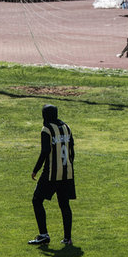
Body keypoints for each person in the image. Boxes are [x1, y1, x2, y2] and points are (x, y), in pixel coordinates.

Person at [28, 104, 76, 246]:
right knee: (64, 204)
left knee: (37, 200)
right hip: (67, 172)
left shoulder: (47, 129)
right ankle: (67, 238)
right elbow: (72, 150)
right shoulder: (67, 127)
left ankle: (43, 235)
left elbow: (45, 151)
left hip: (51, 174)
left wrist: (35, 169)